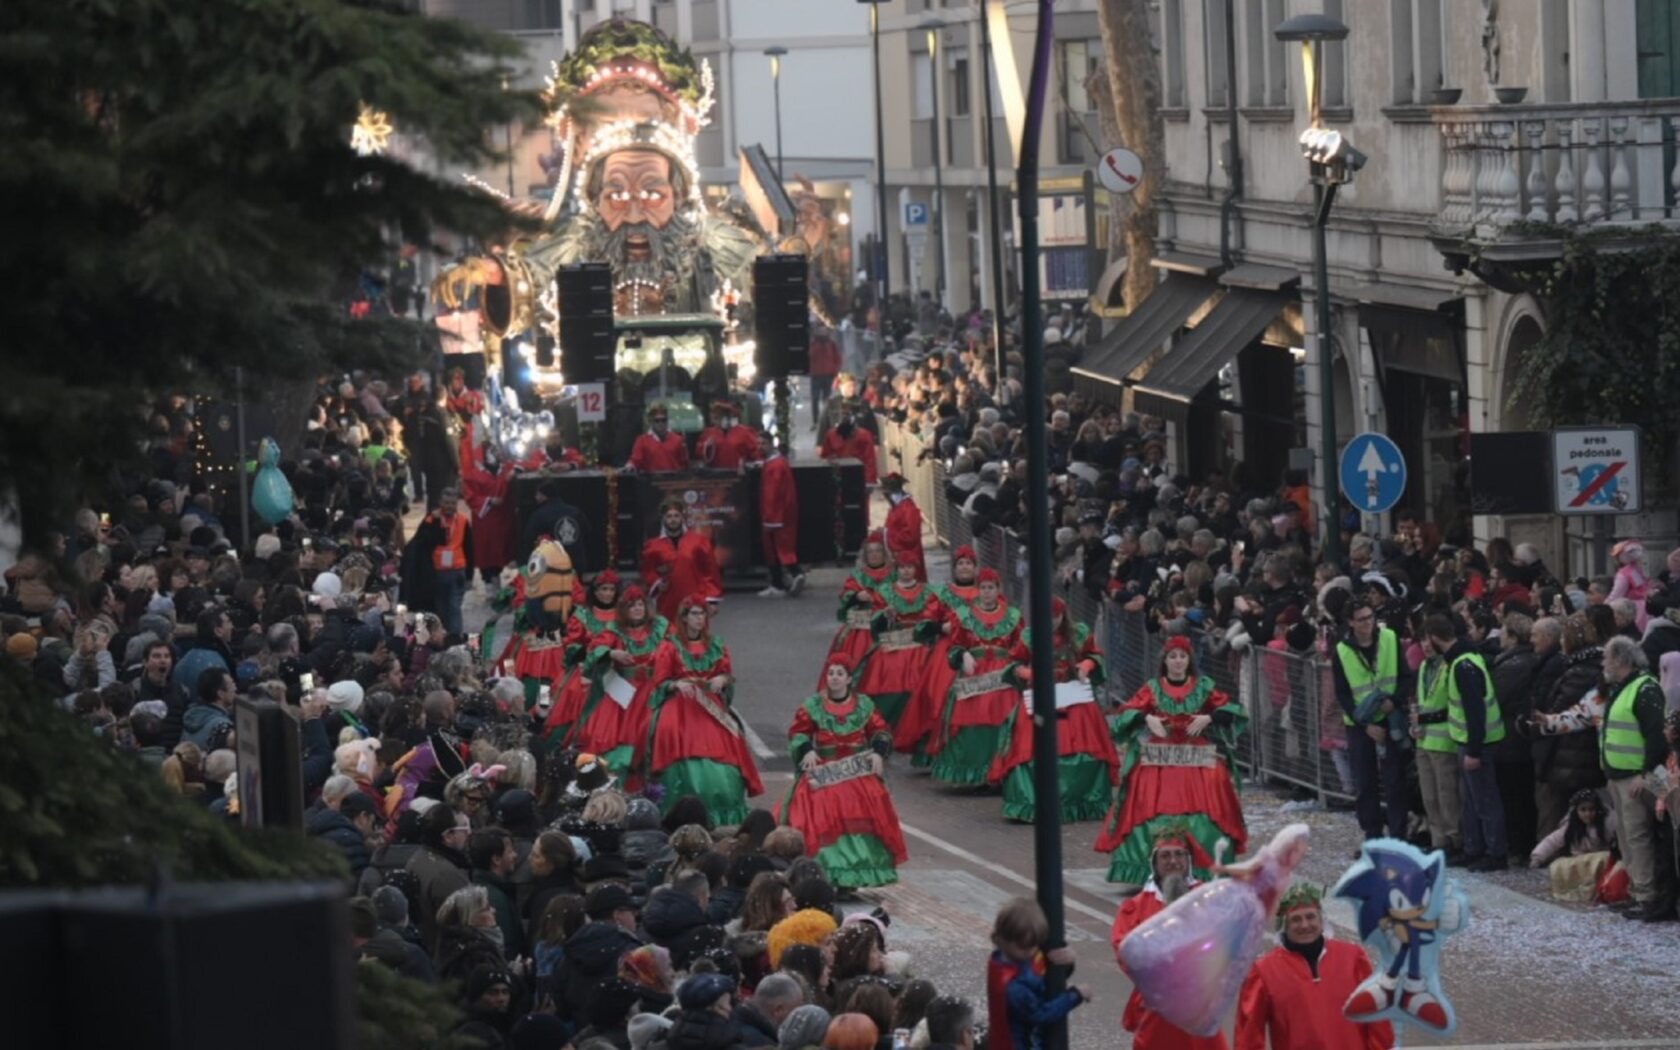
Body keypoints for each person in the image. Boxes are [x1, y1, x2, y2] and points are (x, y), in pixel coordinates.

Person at [1097, 635, 1246, 886]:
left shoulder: (1203, 686)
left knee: (1212, 797)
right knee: (1146, 799)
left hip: (1197, 755)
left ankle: (1205, 864)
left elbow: (1232, 710)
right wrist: (1146, 719)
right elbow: (1126, 713)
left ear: (1189, 660)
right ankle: (1148, 866)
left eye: (1182, 656)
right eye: (1173, 657)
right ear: (1165, 661)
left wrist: (1210, 718)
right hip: (1160, 756)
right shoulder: (1152, 687)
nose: (1178, 662)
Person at [781, 661, 907, 888]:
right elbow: (798, 733)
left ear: (849, 679)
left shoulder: (864, 705)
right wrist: (807, 749)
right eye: (831, 673)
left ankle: (851, 876)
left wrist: (878, 752)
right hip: (825, 773)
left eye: (840, 674)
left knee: (865, 813)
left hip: (857, 774)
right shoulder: (813, 705)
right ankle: (825, 873)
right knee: (818, 815)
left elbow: (881, 730)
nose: (835, 678)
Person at [993, 597, 1118, 823]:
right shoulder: (1029, 637)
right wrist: (1029, 674)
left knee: (1085, 747)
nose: (1051, 622)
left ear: (1063, 616)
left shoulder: (1078, 633)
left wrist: (1086, 666)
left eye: (1056, 618)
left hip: (1074, 697)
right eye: (1047, 618)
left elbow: (1095, 655)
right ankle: (1032, 802)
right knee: (1030, 747)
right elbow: (1013, 664)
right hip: (1040, 697)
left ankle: (1082, 801)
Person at [645, 597, 764, 824]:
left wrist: (723, 678)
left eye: (702, 615)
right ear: (684, 618)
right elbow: (659, 683)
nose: (700, 619)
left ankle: (723, 810)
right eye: (695, 614)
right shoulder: (669, 646)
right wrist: (675, 684)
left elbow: (728, 676)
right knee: (672, 739)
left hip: (710, 708)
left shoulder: (717, 644)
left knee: (730, 742)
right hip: (681, 708)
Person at [1234, 884, 1393, 1050]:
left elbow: (1377, 1019)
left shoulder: (1353, 958)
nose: (1304, 925)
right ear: (1284, 925)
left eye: (1310, 917)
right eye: (1295, 919)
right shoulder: (1263, 971)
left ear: (1321, 919)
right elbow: (1248, 1036)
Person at [1108, 828, 1227, 1049]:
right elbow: (1124, 949)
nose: (1173, 861)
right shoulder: (1135, 908)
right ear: (1154, 862)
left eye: (1179, 854)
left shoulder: (1209, 898)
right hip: (1156, 1007)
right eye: (1165, 855)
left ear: (1188, 860)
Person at [1422, 614, 1509, 871]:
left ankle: (1495, 852)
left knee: (1484, 800)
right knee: (1471, 801)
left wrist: (1473, 750)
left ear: (1436, 639)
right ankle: (1475, 848)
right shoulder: (1462, 660)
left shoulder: (1463, 666)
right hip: (1467, 741)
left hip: (1477, 743)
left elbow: (1474, 711)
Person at [1595, 636, 1672, 921]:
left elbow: (1656, 737)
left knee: (1639, 836)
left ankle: (1648, 895)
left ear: (1622, 660)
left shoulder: (1644, 688)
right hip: (1618, 775)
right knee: (1627, 837)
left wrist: (1646, 774)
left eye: (1607, 658)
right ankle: (1638, 891)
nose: (1604, 663)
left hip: (1635, 777)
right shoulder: (1621, 688)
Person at [930, 569, 1026, 788]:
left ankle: (1001, 771)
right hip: (975, 676)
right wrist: (963, 655)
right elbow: (954, 646)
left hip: (1003, 679)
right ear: (978, 590)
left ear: (998, 589)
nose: (986, 592)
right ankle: (975, 775)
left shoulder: (1012, 616)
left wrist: (1017, 668)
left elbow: (1020, 648)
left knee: (1002, 722)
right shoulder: (964, 615)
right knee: (973, 724)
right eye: (983, 588)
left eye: (991, 588)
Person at [1332, 598, 1413, 843]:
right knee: (1365, 782)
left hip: (1390, 717)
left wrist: (1395, 701)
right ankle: (1373, 834)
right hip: (1360, 723)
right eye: (1362, 620)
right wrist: (1365, 725)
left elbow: (1405, 677)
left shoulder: (1389, 638)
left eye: (1370, 617)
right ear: (1351, 623)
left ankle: (1398, 835)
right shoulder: (1342, 650)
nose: (1368, 623)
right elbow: (1343, 693)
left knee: (1394, 781)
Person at [569, 584, 670, 780]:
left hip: (653, 689)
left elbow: (678, 648)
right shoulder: (614, 630)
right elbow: (594, 649)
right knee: (615, 738)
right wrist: (611, 653)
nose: (637, 609)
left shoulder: (661, 627)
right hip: (624, 692)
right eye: (632, 606)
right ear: (624, 610)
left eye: (640, 604)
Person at [896, 545, 980, 765]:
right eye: (960, 564)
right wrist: (941, 628)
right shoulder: (943, 593)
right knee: (938, 695)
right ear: (954, 568)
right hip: (947, 652)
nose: (964, 568)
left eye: (968, 563)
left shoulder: (985, 593)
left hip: (977, 651)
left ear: (975, 567)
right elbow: (926, 623)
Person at [986, 897, 1088, 1050]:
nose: (1031, 952)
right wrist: (1075, 995)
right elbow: (1041, 1014)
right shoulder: (1013, 987)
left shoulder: (1009, 958)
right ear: (1003, 939)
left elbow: (1040, 977)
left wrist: (1066, 963)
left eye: (1034, 945)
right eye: (1024, 947)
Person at [855, 556, 944, 730]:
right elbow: (874, 620)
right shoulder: (885, 591)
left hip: (920, 643)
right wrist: (884, 614)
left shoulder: (928, 592)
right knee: (884, 666)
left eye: (910, 566)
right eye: (902, 567)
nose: (906, 570)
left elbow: (933, 618)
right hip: (893, 641)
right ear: (896, 570)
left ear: (915, 569)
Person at [539, 570, 620, 746]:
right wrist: (586, 654)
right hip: (586, 670)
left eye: (611, 590)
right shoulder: (582, 615)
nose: (607, 594)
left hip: (617, 672)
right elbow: (570, 645)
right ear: (595, 591)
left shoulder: (622, 616)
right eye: (603, 589)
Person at [639, 499, 723, 622]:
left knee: (694, 636)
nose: (673, 519)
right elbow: (647, 571)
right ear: (664, 519)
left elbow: (710, 571)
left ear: (682, 517)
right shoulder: (653, 546)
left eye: (676, 516)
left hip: (695, 598)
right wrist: (657, 583)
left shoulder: (699, 542)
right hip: (667, 601)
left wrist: (712, 600)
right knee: (668, 636)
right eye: (669, 516)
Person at [824, 533, 893, 681]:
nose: (874, 555)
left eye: (878, 551)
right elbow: (845, 596)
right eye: (870, 552)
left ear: (884, 554)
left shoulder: (894, 575)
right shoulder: (857, 576)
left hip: (888, 624)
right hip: (862, 626)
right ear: (865, 556)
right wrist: (856, 596)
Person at [414, 488, 473, 637]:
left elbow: (469, 548)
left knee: (454, 607)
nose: (449, 506)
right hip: (437, 571)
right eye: (446, 503)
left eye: (452, 503)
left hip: (457, 570)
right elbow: (421, 541)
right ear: (440, 503)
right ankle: (442, 637)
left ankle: (454, 638)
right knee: (440, 607)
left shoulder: (463, 521)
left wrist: (470, 576)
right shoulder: (431, 519)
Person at [758, 434, 805, 599]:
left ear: (771, 444)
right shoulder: (778, 463)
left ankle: (789, 576)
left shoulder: (774, 466)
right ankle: (787, 577)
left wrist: (770, 517)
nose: (760, 447)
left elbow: (772, 493)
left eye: (763, 443)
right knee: (782, 548)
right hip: (783, 513)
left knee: (775, 549)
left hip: (775, 515)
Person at [819, 401, 878, 488]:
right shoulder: (831, 434)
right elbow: (826, 458)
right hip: (839, 477)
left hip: (857, 476)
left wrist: (870, 482)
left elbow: (870, 461)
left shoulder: (864, 435)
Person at [881, 474, 925, 582]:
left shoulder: (909, 509)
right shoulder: (897, 507)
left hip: (908, 559)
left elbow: (911, 536)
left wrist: (888, 535)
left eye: (887, 494)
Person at [697, 401, 760, 470]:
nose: (714, 422)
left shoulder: (745, 432)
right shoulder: (709, 433)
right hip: (715, 475)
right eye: (713, 418)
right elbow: (699, 453)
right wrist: (706, 447)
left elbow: (757, 454)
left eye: (717, 418)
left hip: (739, 474)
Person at [627, 405, 690, 473]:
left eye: (663, 420)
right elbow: (635, 461)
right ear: (651, 421)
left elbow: (685, 464)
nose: (661, 423)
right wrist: (629, 466)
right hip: (651, 481)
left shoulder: (679, 440)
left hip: (674, 481)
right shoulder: (642, 441)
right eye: (657, 420)